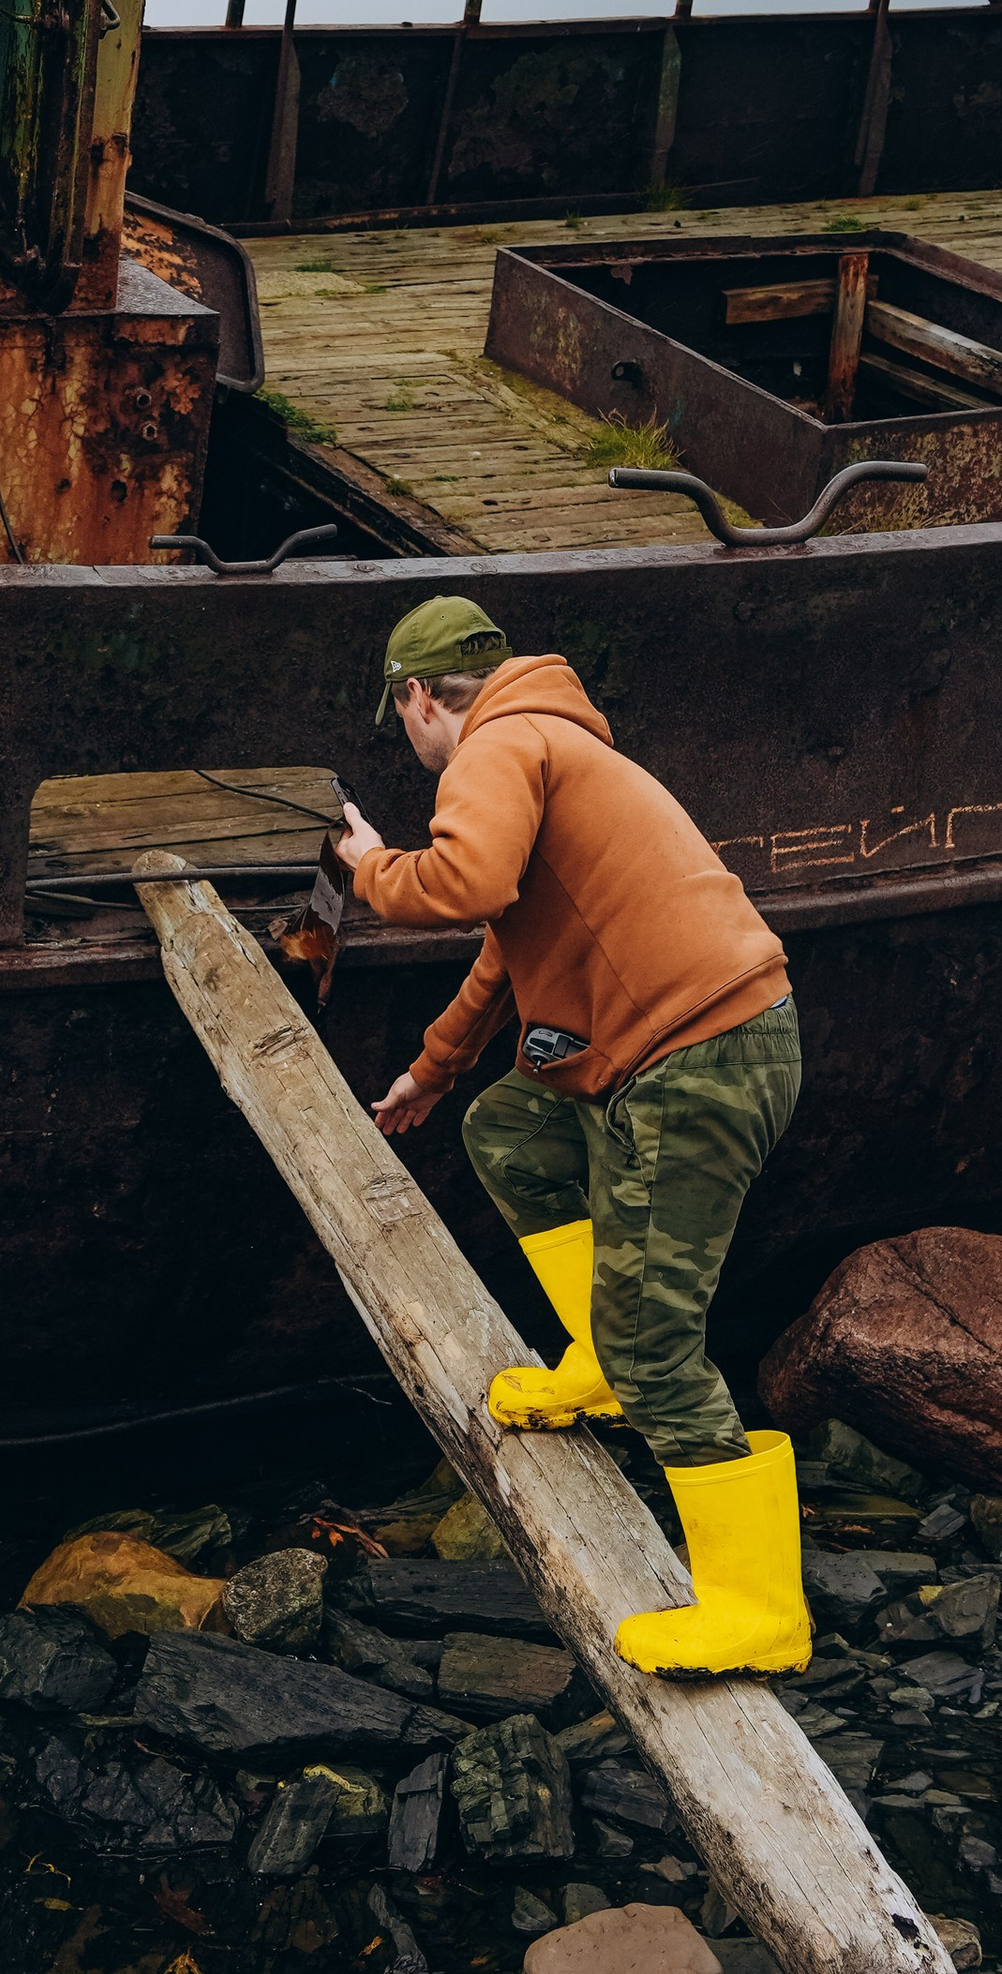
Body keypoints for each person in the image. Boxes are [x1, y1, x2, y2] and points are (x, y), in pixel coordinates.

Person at [334, 595, 808, 1679]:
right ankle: (596, 1361)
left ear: (416, 696)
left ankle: (758, 1609)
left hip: (700, 1062)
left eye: (400, 716)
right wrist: (432, 1071)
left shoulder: (498, 743)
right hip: (698, 1047)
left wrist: (367, 865)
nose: (408, 739)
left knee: (660, 1344)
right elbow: (510, 945)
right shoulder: (549, 740)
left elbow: (466, 885)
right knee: (508, 1126)